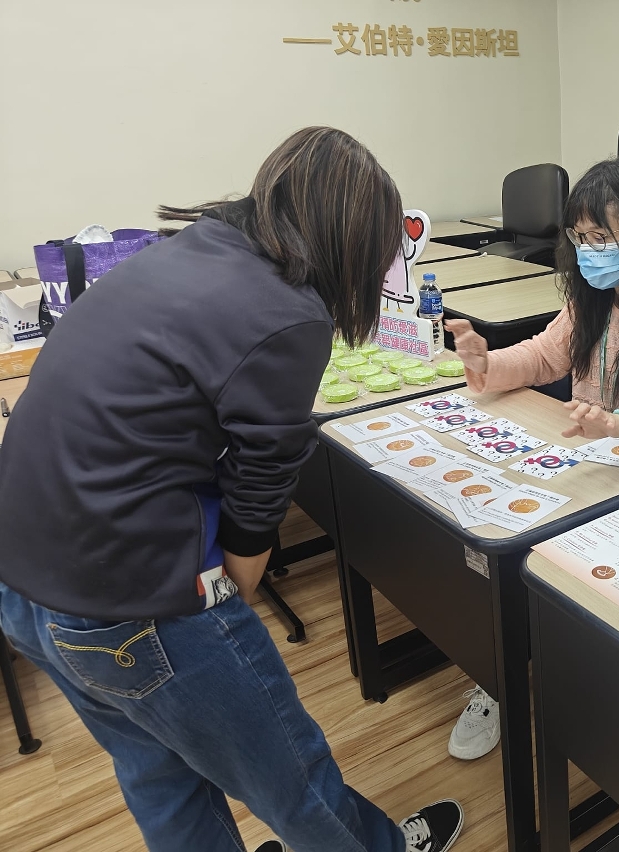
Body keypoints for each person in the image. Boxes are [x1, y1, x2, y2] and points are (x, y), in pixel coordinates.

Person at [0, 128, 463, 852]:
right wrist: (230, 602)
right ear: (351, 241)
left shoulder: (187, 249)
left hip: (25, 582)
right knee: (291, 778)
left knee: (160, 777)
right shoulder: (288, 310)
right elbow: (261, 486)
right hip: (130, 593)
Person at [443, 156, 619, 760]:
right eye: (579, 239)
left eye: (602, 238)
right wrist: (485, 362)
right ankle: (502, 676)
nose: (589, 252)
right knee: (495, 537)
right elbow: (544, 355)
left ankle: (598, 695)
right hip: (588, 468)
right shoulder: (592, 299)